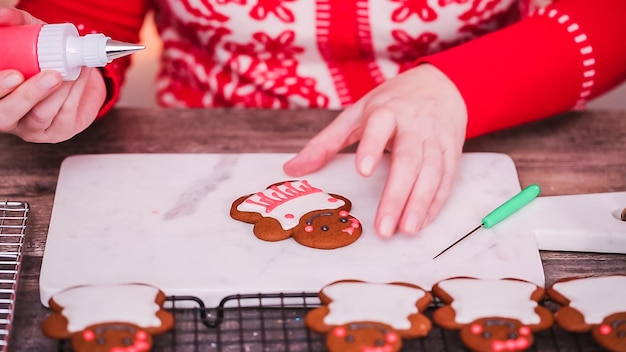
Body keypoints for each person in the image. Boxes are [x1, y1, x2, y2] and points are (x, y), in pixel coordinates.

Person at [1, 0, 625, 239]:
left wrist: (462, 84)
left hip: (481, 143)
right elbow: (85, 21)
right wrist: (71, 84)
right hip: (197, 163)